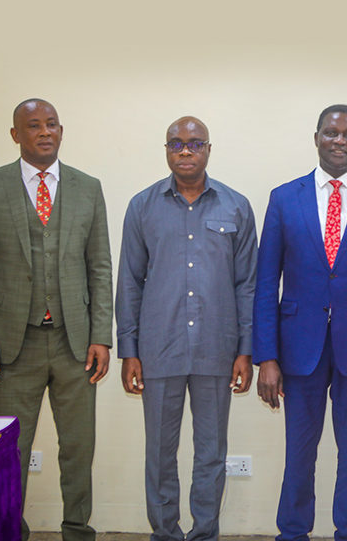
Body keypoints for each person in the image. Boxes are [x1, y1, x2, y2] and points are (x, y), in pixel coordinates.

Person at [0, 98, 113, 541]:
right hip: (12, 345)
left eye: (51, 124)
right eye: (33, 125)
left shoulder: (88, 187)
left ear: (61, 132)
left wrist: (101, 335)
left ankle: (76, 530)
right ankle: (9, 531)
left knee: (78, 449)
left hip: (75, 342)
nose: (44, 131)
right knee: (8, 452)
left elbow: (100, 266)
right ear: (16, 135)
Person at [254, 104, 347, 541]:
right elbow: (265, 283)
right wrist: (267, 357)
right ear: (315, 137)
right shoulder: (284, 198)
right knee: (299, 453)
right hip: (299, 348)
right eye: (331, 132)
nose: (340, 141)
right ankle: (293, 533)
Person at [116, 117, 258, 541]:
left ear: (208, 149)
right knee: (160, 454)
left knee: (211, 454)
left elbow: (247, 283)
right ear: (165, 150)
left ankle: (204, 533)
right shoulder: (142, 206)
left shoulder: (236, 206)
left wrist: (245, 349)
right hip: (159, 349)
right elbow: (129, 280)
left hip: (218, 349)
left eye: (194, 143)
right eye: (176, 143)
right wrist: (129, 350)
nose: (185, 151)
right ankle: (165, 533)